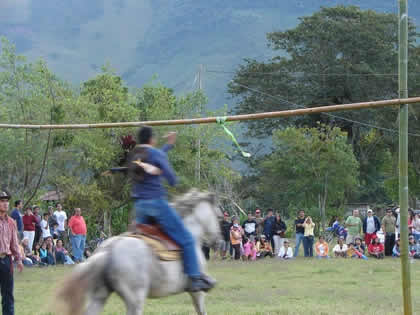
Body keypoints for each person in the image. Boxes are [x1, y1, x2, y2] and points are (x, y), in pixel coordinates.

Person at [130, 126, 214, 292]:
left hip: (139, 206)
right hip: (156, 205)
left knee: (135, 237)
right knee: (188, 239)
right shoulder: (156, 154)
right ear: (152, 139)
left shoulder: (136, 155)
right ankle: (194, 278)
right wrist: (165, 171)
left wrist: (168, 146)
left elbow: (153, 158)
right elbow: (172, 180)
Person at [0, 190, 23, 315]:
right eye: (2, 201)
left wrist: (19, 259)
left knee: (8, 294)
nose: (5, 204)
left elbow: (14, 243)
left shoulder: (11, 222)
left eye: (6, 201)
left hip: (6, 260)